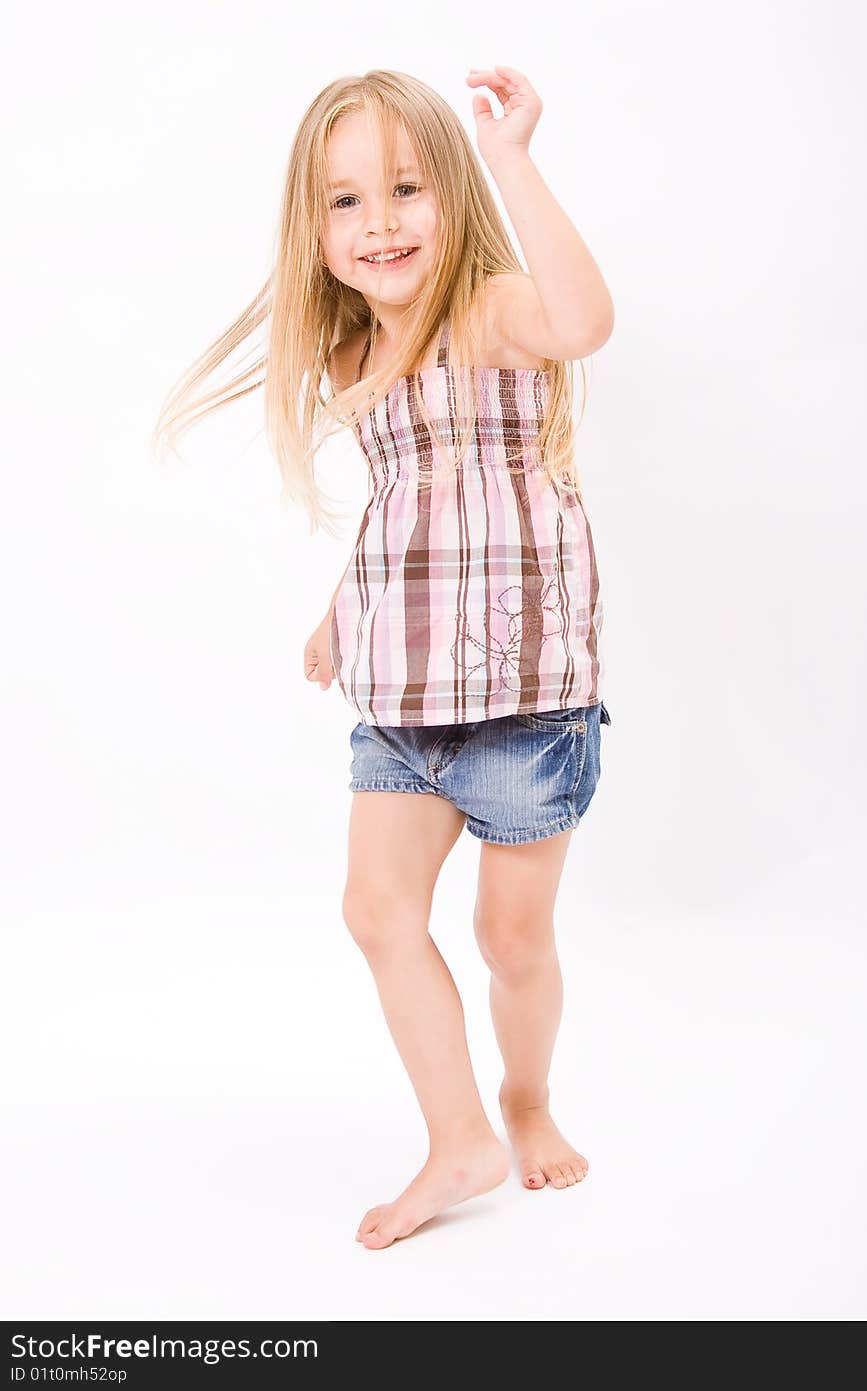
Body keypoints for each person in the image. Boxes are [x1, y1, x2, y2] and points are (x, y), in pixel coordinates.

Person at [154, 65, 614, 1251]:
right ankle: (459, 1135)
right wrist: (338, 611)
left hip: (522, 699)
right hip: (404, 701)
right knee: (375, 909)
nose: (381, 223)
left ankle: (526, 1095)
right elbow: (406, 514)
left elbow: (586, 321)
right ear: (314, 232)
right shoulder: (356, 366)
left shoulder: (498, 311)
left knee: (512, 939)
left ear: (451, 192)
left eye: (406, 189)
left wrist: (511, 159)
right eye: (347, 202)